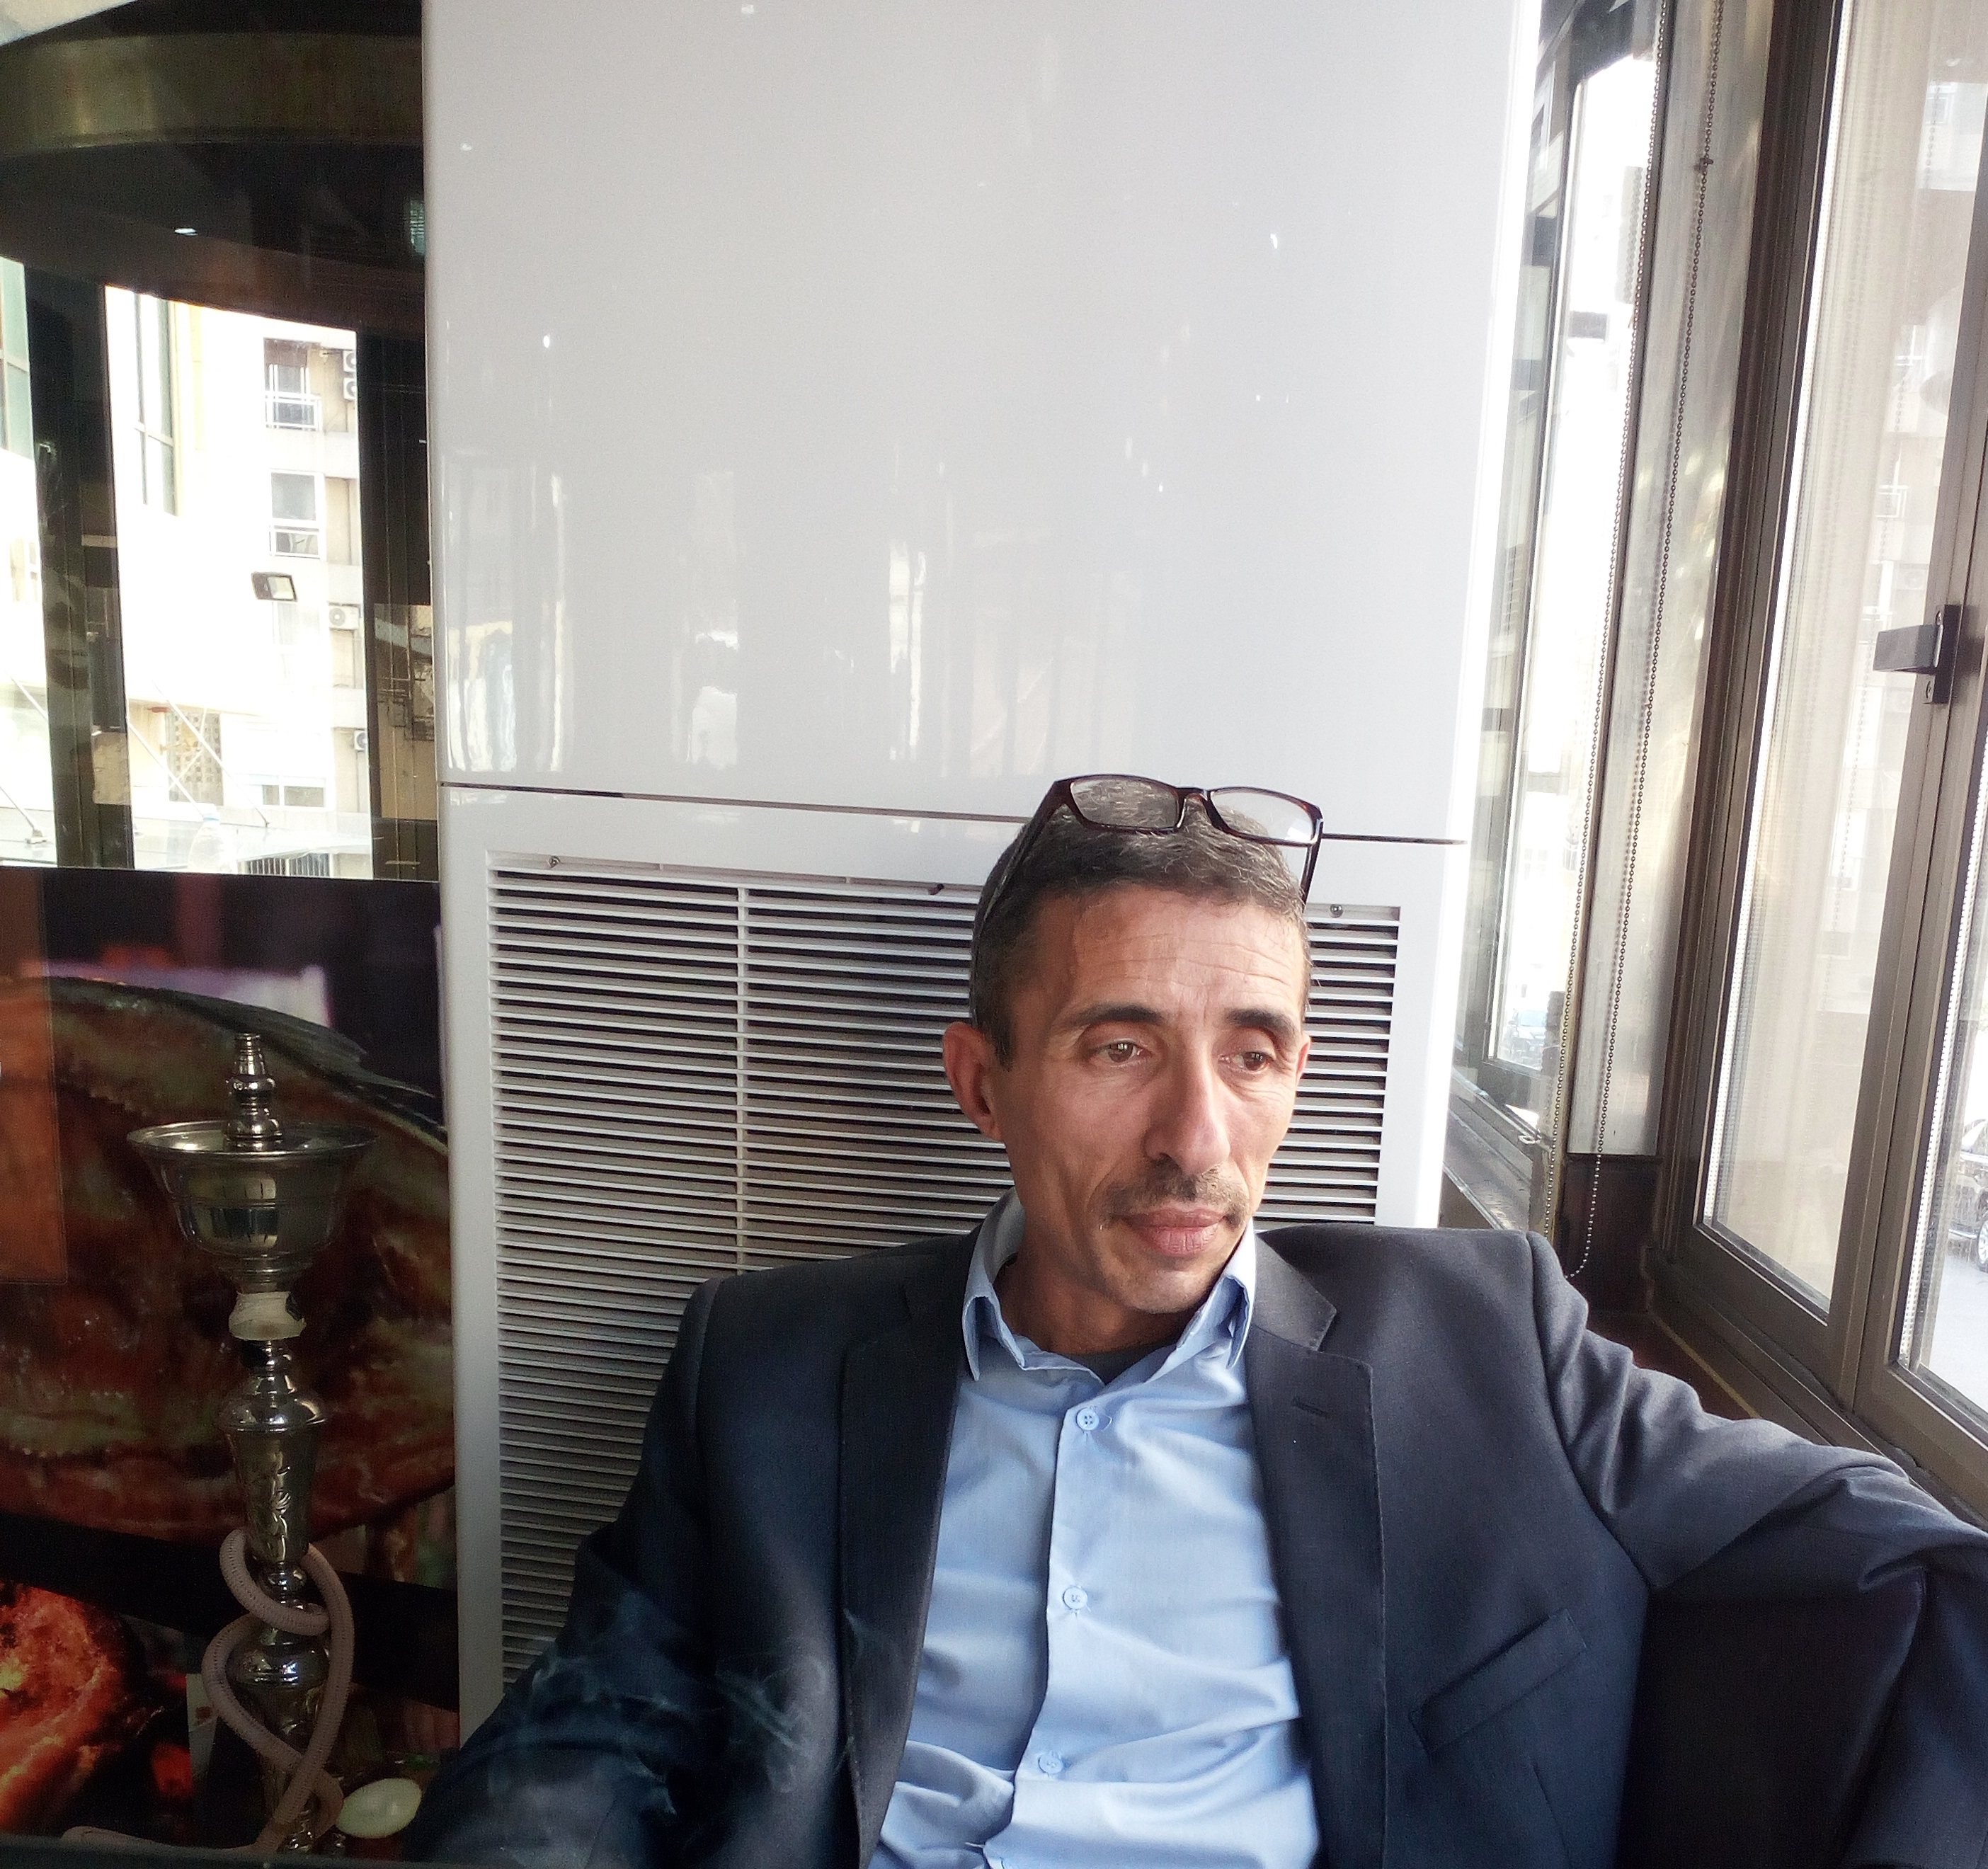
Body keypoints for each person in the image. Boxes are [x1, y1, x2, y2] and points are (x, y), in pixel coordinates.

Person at [409, 774, 1988, 1869]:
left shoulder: (1482, 1345)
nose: (1196, 1140)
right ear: (983, 1083)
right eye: (1119, 1049)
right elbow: (592, 1733)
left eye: (1253, 1054)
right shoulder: (768, 1365)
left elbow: (1908, 1562)